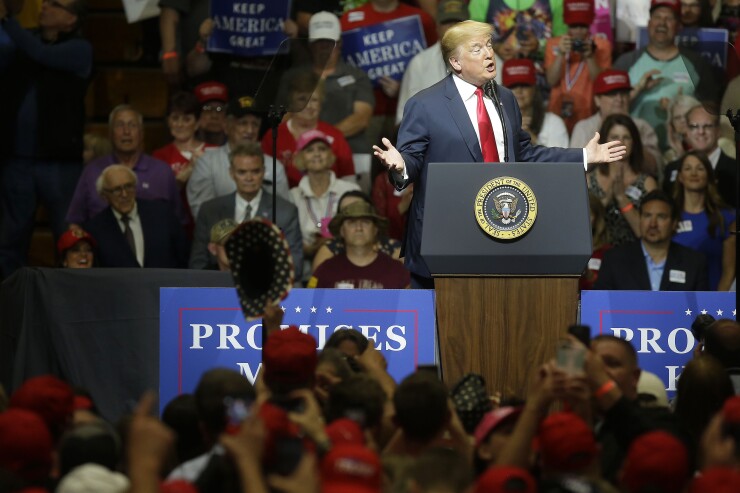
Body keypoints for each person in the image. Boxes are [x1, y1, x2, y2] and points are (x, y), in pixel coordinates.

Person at [373, 20, 626, 288]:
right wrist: (400, 166)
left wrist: (583, 156)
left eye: (489, 45)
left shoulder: (506, 98)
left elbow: (524, 153)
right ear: (456, 62)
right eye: (477, 48)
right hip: (444, 238)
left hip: (502, 230)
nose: (488, 53)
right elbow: (411, 159)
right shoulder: (425, 105)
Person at [0, 0, 92, 278]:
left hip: (60, 164)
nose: (44, 7)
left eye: (55, 4)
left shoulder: (79, 49)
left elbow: (40, 54)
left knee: (69, 240)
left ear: (71, 19)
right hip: (18, 161)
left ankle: (69, 307)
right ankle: (8, 307)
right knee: (9, 241)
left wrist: (6, 18)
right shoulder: (24, 41)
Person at [613, 0, 720, 151]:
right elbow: (609, 111)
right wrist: (637, 90)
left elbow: (711, 110)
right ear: (649, 23)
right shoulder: (626, 62)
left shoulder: (696, 64)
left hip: (683, 153)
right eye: (657, 17)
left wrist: (681, 105)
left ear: (678, 27)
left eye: (669, 18)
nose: (662, 23)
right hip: (635, 151)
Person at [189, 142, 303, 276]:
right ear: (231, 173)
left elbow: (295, 264)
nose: (249, 178)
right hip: (219, 288)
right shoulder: (210, 210)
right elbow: (197, 264)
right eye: (242, 172)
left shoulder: (285, 211)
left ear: (263, 171)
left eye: (255, 171)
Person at [66, 105, 184, 226]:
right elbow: (75, 221)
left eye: (132, 125)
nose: (126, 132)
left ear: (142, 133)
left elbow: (178, 222)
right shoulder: (92, 172)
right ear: (110, 134)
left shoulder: (162, 172)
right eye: (120, 125)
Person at [186, 95, 291, 219]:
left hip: (265, 234)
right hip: (219, 236)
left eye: (255, 124)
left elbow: (283, 213)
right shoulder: (207, 163)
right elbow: (203, 213)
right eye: (243, 123)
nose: (250, 130)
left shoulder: (274, 167)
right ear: (226, 126)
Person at [594, 190, 708, 290]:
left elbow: (702, 310)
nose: (653, 224)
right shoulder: (614, 260)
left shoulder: (694, 263)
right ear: (640, 219)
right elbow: (601, 306)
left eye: (661, 217)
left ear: (674, 223)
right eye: (647, 216)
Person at [82, 165, 189, 268]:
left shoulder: (162, 214)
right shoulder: (95, 229)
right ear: (104, 196)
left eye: (128, 186)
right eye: (116, 190)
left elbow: (183, 256)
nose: (124, 194)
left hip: (162, 284)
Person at [262, 70, 356, 188]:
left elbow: (348, 179)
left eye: (314, 100)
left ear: (321, 103)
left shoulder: (335, 135)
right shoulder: (273, 136)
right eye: (302, 99)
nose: (309, 106)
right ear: (290, 103)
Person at [289, 130, 360, 281]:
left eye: (322, 149)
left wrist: (331, 243)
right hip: (304, 273)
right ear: (300, 158)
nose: (316, 154)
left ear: (330, 156)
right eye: (309, 150)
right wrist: (309, 249)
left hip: (347, 268)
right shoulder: (293, 196)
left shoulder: (349, 190)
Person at [570, 70, 662, 176]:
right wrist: (604, 137)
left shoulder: (642, 126)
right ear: (597, 100)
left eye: (624, 93)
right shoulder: (584, 128)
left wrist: (633, 137)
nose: (619, 99)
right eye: (612, 94)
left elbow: (655, 168)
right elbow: (574, 169)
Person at [587, 114, 658, 246]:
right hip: (595, 256)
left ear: (634, 142)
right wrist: (607, 197)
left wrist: (621, 198)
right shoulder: (587, 181)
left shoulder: (648, 184)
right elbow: (581, 229)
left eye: (626, 137)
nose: (621, 142)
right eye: (615, 137)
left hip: (633, 256)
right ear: (604, 141)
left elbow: (645, 232)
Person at [396, 0, 471, 125]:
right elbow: (405, 117)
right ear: (437, 27)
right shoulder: (419, 63)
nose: (452, 28)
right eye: (446, 23)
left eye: (458, 23)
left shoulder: (488, 59)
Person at [671, 151, 736, 290]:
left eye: (700, 168)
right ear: (680, 177)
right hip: (674, 298)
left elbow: (729, 271)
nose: (694, 173)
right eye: (688, 168)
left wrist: (718, 302)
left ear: (709, 176)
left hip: (711, 299)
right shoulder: (669, 216)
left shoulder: (726, 217)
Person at [308, 201, 410, 289]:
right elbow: (308, 307)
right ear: (342, 231)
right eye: (352, 222)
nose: (359, 228)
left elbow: (412, 309)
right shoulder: (325, 271)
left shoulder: (397, 271)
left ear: (375, 229)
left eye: (365, 222)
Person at [544, 0, 611, 133]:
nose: (578, 31)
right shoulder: (554, 44)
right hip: (558, 114)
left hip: (588, 114)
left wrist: (590, 57)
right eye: (574, 26)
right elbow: (551, 80)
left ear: (589, 24)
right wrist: (561, 54)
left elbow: (601, 85)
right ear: (567, 24)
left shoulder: (601, 46)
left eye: (583, 26)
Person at [663, 104, 738, 208]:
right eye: (694, 126)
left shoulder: (735, 170)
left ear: (718, 130)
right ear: (687, 132)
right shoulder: (672, 169)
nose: (701, 132)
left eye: (707, 126)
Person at [312, 190, 402, 272]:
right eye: (350, 218)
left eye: (360, 209)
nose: (358, 227)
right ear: (341, 226)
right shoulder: (328, 251)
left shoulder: (394, 249)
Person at [502, 58, 569, 148]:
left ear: (534, 88)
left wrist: (529, 137)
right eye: (512, 86)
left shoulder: (553, 123)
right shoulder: (493, 123)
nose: (518, 90)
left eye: (524, 85)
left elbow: (561, 161)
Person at [579, 194, 612, 290]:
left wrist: (588, 275)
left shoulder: (608, 253)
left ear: (597, 219)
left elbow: (607, 289)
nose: (582, 219)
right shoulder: (562, 250)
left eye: (587, 214)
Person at [193, 81, 228, 147]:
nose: (214, 116)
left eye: (219, 109)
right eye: (207, 109)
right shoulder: (184, 149)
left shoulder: (236, 149)